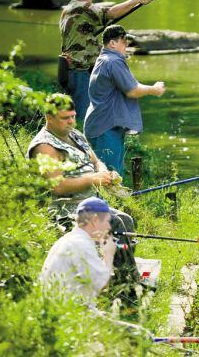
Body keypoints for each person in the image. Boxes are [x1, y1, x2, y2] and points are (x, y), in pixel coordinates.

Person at [27, 93, 138, 286]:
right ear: (49, 118)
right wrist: (92, 179)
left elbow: (95, 161)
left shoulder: (75, 135)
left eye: (73, 116)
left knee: (126, 221)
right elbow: (58, 186)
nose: (71, 122)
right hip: (65, 209)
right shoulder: (44, 147)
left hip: (90, 205)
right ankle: (126, 285)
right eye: (65, 118)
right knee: (116, 224)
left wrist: (104, 173)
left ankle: (117, 277)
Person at [60, 0, 153, 121]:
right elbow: (112, 13)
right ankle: (82, 141)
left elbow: (81, 32)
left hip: (69, 68)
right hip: (79, 70)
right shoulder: (83, 8)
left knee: (77, 110)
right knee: (81, 115)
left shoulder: (67, 10)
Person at [84, 24, 166, 176]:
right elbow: (132, 90)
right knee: (110, 179)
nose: (127, 44)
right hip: (105, 128)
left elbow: (132, 85)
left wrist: (149, 87)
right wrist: (153, 90)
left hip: (101, 125)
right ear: (112, 43)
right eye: (123, 41)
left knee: (106, 177)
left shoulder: (104, 59)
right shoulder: (114, 61)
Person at [40, 197, 115, 303]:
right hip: (67, 314)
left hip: (57, 308)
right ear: (94, 220)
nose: (109, 226)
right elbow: (102, 286)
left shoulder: (68, 239)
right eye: (107, 221)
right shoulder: (82, 245)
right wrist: (108, 254)